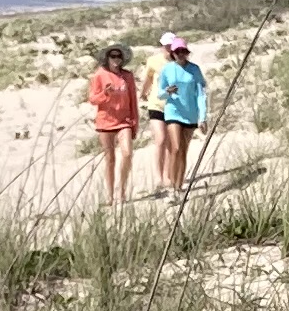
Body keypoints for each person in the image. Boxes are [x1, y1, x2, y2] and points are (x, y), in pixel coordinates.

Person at [87, 40, 143, 206]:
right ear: (107, 57)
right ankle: (110, 196)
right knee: (110, 159)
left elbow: (133, 100)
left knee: (127, 153)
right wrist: (105, 94)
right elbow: (92, 99)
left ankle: (122, 190)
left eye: (119, 56)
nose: (116, 59)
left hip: (124, 121)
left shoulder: (127, 76)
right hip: (105, 122)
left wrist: (135, 123)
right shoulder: (99, 75)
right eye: (113, 55)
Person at [151, 32, 207, 195]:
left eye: (184, 51)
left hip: (190, 113)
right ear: (173, 53)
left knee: (183, 150)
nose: (181, 54)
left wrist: (202, 117)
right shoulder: (167, 70)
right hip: (173, 111)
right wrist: (167, 92)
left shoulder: (194, 70)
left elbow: (201, 94)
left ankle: (179, 185)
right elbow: (160, 93)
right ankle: (172, 187)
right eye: (177, 52)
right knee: (175, 147)